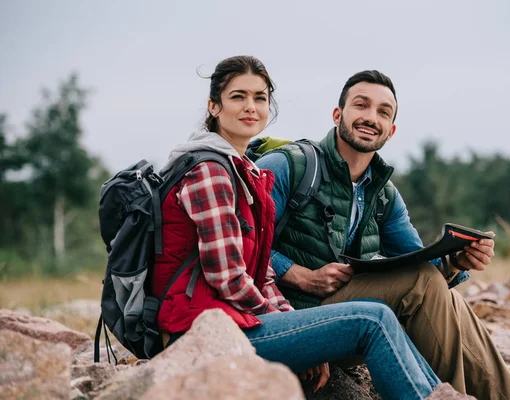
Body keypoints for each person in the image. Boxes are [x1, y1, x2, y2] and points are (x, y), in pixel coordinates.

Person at [151, 56, 441, 399]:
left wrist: (297, 329)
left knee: (378, 318)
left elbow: (259, 273)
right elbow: (228, 277)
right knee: (373, 319)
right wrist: (291, 329)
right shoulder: (210, 172)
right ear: (214, 106)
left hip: (236, 322)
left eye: (260, 98)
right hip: (204, 331)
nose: (251, 107)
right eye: (238, 96)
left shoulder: (241, 170)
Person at [255, 70, 510, 400]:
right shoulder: (292, 166)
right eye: (362, 105)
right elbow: (238, 248)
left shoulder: (382, 192)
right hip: (290, 316)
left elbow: (421, 263)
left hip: (349, 316)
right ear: (338, 114)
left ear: (392, 130)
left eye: (383, 112)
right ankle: (450, 396)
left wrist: (456, 261)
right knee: (421, 283)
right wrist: (300, 275)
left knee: (448, 296)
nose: (371, 117)